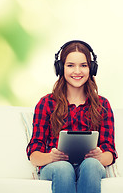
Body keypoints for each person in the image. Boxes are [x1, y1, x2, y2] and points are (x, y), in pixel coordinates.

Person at [26, 40, 117, 193]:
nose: (77, 71)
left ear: (91, 68)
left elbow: (110, 153)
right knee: (63, 168)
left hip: (90, 167)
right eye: (70, 65)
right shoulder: (46, 103)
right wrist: (51, 157)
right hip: (56, 167)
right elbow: (34, 155)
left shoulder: (102, 104)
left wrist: (99, 156)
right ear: (61, 68)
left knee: (91, 164)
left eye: (83, 65)